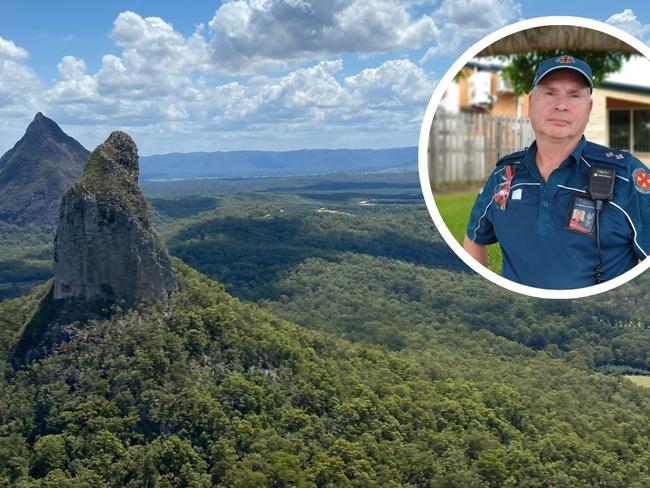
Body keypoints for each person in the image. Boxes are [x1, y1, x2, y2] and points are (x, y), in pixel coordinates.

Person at [463, 55, 650, 289]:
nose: (561, 105)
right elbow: (473, 239)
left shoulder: (626, 175)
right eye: (550, 93)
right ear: (531, 103)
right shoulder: (505, 174)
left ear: (588, 108)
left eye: (574, 95)